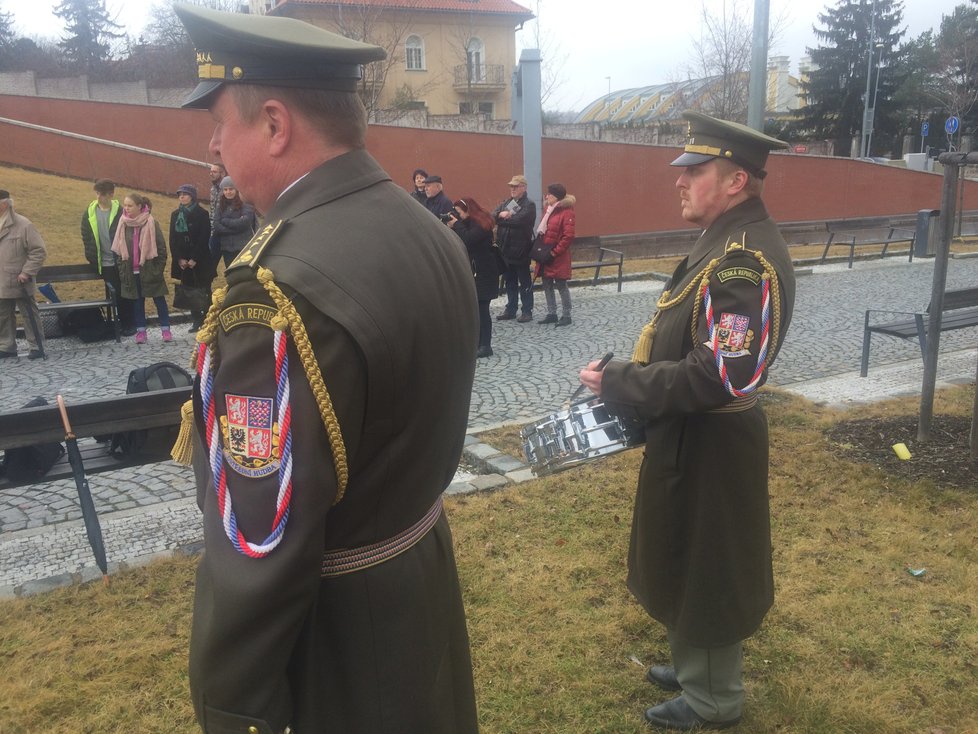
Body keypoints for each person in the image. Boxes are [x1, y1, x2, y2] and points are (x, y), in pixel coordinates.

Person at [173, 4, 480, 733]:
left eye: (221, 123)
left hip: (339, 648)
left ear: (276, 125)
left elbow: (259, 543)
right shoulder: (421, 226)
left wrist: (232, 707)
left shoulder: (274, 290)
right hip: (416, 583)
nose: (213, 147)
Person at [578, 111, 796, 731]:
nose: (679, 181)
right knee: (684, 553)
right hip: (692, 436)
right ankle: (694, 661)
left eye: (695, 171)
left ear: (736, 182)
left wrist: (619, 380)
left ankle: (713, 698)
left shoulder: (741, 262)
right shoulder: (726, 243)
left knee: (708, 566)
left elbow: (717, 375)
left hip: (713, 442)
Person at [110, 193, 172, 344]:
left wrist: (157, 270)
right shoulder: (123, 223)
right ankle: (141, 332)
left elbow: (162, 250)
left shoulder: (151, 222)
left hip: (150, 270)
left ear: (139, 207)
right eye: (125, 205)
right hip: (131, 271)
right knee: (137, 302)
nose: (126, 208)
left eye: (130, 205)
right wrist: (123, 269)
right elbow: (118, 250)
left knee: (159, 299)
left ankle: (166, 330)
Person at [81, 179, 136, 336]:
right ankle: (120, 323)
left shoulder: (120, 211)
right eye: (97, 193)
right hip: (102, 261)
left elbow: (130, 233)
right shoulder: (90, 211)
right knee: (116, 294)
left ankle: (129, 323)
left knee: (125, 293)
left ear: (111, 194)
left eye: (103, 194)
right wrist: (91, 255)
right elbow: (85, 234)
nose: (99, 197)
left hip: (121, 260)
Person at [448, 197, 499, 357]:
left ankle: (486, 345)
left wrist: (456, 224)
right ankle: (478, 343)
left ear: (468, 210)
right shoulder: (471, 223)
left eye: (459, 212)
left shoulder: (480, 224)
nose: (458, 216)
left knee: (482, 309)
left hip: (484, 272)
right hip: (477, 271)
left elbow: (469, 240)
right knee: (476, 310)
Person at [0, 190, 47, 359]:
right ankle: (6, 346)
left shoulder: (24, 224)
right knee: (3, 315)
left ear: (4, 204)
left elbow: (38, 251)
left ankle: (36, 346)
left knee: (29, 314)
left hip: (19, 279)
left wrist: (27, 272)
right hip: (1, 280)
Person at [168, 184, 214, 332]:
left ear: (192, 197)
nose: (182, 197)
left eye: (185, 194)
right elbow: (172, 238)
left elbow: (204, 237)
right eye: (180, 194)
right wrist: (179, 258)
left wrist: (195, 258)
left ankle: (208, 318)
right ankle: (196, 320)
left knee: (204, 289)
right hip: (183, 258)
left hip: (200, 258)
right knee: (188, 289)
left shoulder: (202, 213)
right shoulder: (176, 215)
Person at [492, 174, 536, 323]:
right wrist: (501, 215)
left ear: (523, 188)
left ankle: (527, 310)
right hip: (506, 249)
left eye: (515, 186)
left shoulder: (529, 205)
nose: (512, 189)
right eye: (511, 186)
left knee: (524, 282)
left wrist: (503, 219)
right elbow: (493, 216)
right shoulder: (507, 203)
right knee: (509, 281)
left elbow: (519, 222)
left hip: (521, 250)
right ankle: (510, 309)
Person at [534, 182, 575, 327]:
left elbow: (568, 236)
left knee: (561, 284)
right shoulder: (548, 209)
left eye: (549, 194)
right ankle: (552, 313)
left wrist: (555, 252)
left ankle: (566, 314)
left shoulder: (567, 212)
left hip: (557, 255)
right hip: (546, 253)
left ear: (556, 196)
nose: (546, 196)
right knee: (546, 283)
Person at [212, 176, 257, 268]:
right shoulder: (220, 206)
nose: (228, 192)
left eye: (231, 189)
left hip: (244, 247)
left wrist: (225, 221)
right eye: (225, 189)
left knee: (244, 274)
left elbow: (245, 222)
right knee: (231, 274)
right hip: (227, 248)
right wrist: (235, 228)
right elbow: (216, 225)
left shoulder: (246, 203)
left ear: (236, 189)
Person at [207, 162, 226, 261]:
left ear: (222, 174)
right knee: (210, 262)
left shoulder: (228, 190)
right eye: (210, 171)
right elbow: (212, 211)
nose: (211, 174)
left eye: (214, 172)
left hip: (226, 233)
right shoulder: (213, 189)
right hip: (214, 232)